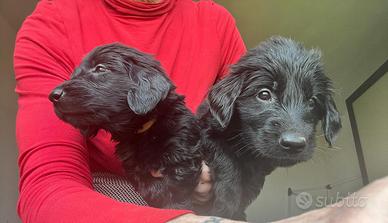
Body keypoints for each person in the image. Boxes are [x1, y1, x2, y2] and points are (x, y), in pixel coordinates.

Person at [14, 0, 246, 222]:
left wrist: (214, 172)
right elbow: (49, 187)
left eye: (99, 70)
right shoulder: (54, 20)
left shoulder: (214, 23)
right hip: (109, 198)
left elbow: (246, 136)